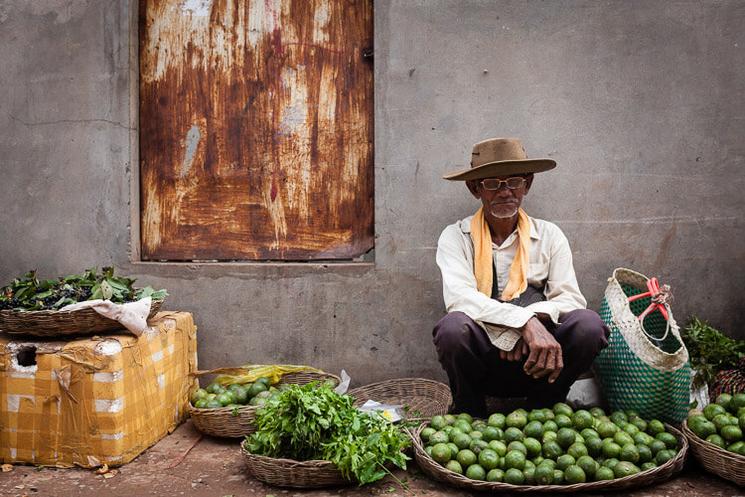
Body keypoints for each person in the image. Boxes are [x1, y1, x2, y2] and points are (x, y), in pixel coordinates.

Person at [433, 137, 610, 417]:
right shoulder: (455, 237)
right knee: (453, 329)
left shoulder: (550, 235)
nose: (505, 192)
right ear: (474, 188)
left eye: (513, 181)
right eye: (492, 183)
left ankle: (544, 409)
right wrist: (521, 323)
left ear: (527, 184)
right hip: (487, 360)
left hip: (540, 359)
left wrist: (534, 322)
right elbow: (459, 299)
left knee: (588, 325)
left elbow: (571, 298)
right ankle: (470, 413)